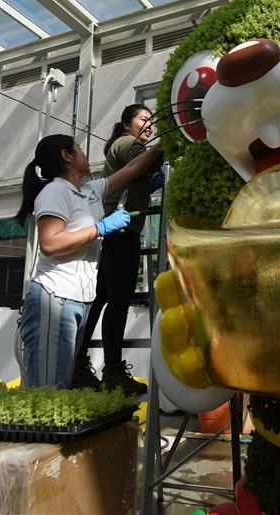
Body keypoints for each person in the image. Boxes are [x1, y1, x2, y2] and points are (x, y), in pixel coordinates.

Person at [15, 133, 161, 389]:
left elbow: (133, 167)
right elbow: (50, 244)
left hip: (80, 298)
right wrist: (100, 228)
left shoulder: (90, 190)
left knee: (63, 382)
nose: (85, 153)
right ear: (67, 156)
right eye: (79, 148)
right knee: (48, 389)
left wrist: (164, 142)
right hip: (54, 296)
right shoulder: (55, 192)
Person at [73, 105, 162, 394]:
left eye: (151, 120)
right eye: (143, 119)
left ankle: (78, 366)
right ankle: (112, 371)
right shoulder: (129, 144)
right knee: (118, 301)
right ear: (126, 124)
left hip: (110, 232)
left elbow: (143, 177)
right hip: (122, 232)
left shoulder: (125, 146)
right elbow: (142, 162)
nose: (149, 124)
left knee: (101, 299)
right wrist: (170, 145)